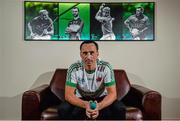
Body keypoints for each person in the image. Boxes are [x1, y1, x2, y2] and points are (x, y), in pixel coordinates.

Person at [57, 41, 125, 120]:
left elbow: (112, 94)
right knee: (63, 109)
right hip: (81, 98)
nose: (88, 57)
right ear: (81, 54)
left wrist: (99, 106)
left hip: (101, 98)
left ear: (97, 54)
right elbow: (69, 95)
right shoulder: (74, 68)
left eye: (92, 53)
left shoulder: (106, 67)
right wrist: (86, 105)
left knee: (120, 108)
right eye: (85, 53)